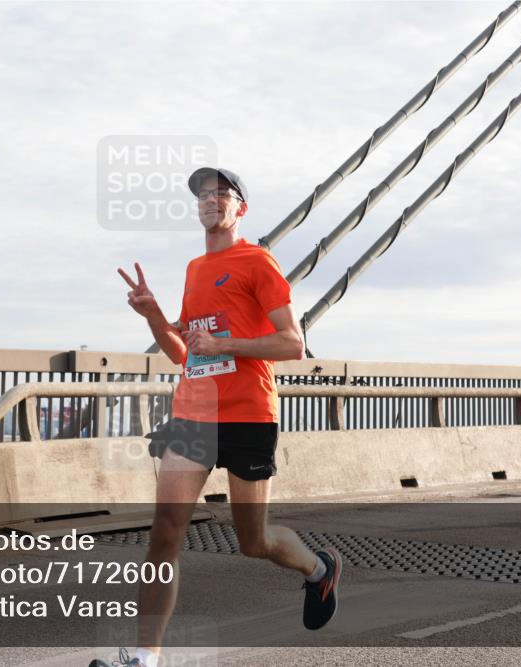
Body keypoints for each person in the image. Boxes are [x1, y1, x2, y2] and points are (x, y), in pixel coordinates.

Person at [90, 168, 342, 667]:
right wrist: (154, 316)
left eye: (222, 194)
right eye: (204, 194)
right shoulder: (194, 269)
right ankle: (145, 658)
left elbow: (293, 344)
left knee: (254, 541)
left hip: (249, 414)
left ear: (240, 208)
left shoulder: (257, 262)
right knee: (165, 530)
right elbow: (184, 353)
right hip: (194, 413)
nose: (211, 200)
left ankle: (319, 570)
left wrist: (227, 342)